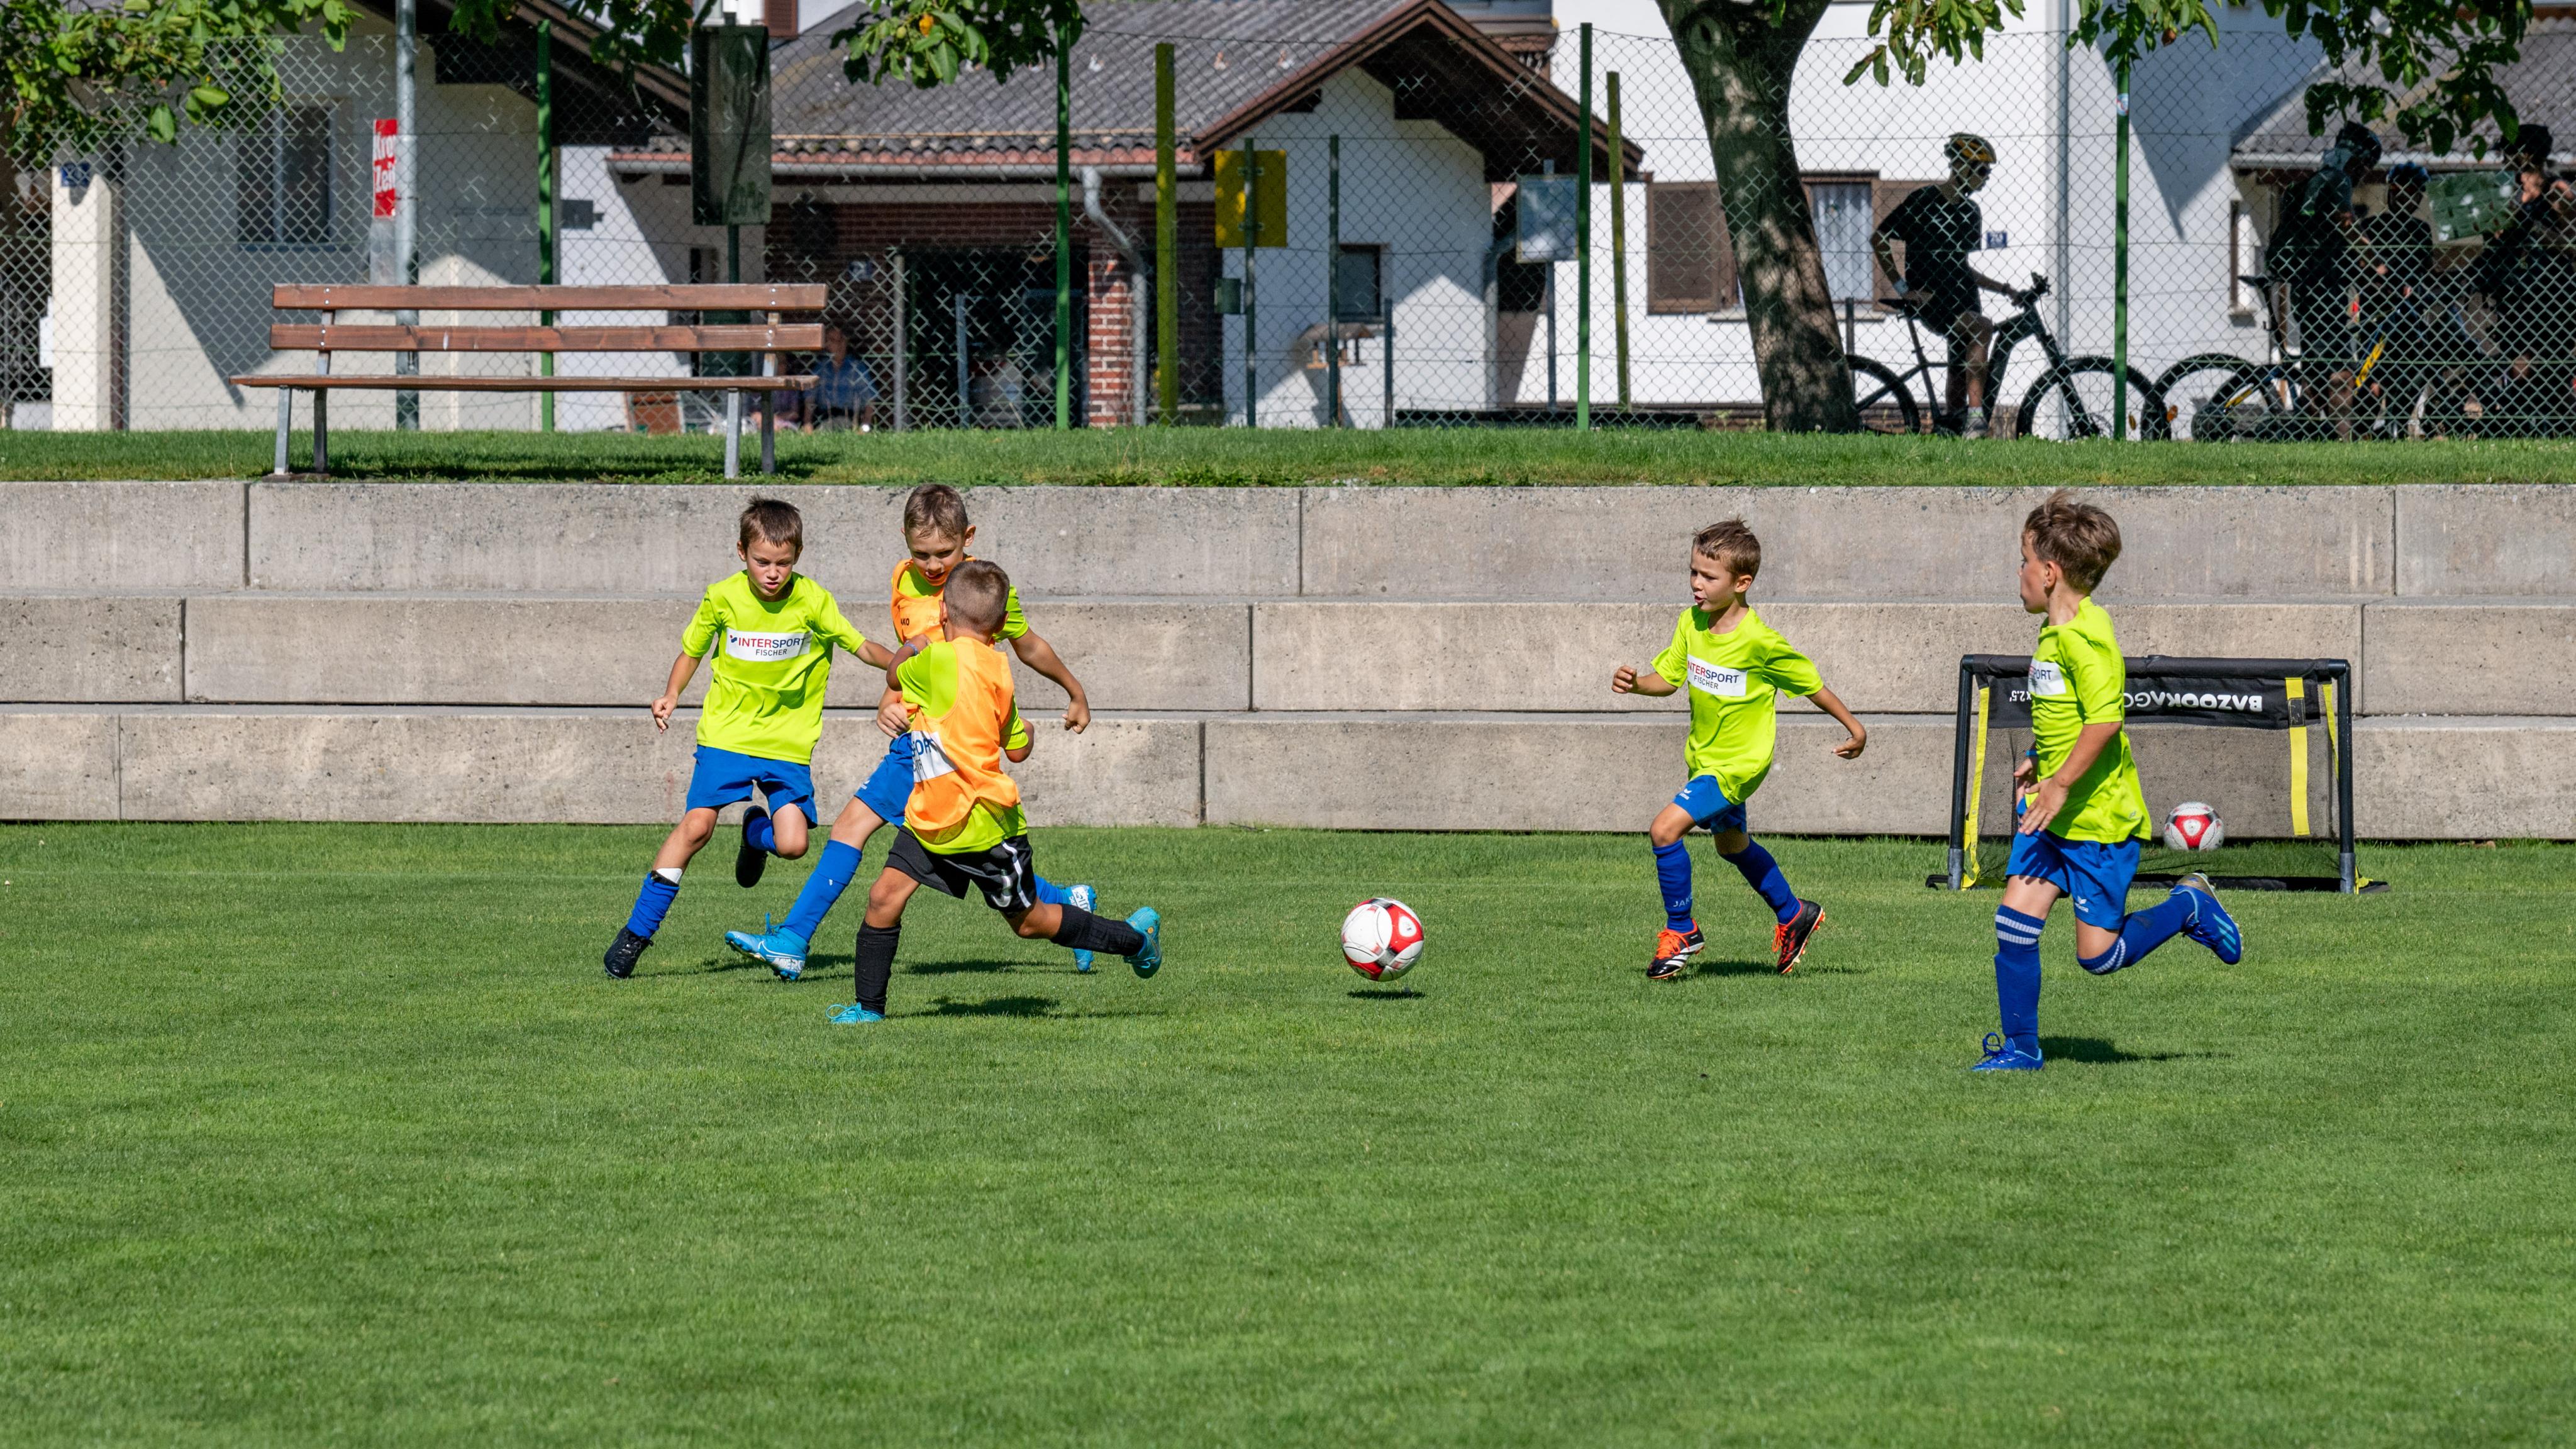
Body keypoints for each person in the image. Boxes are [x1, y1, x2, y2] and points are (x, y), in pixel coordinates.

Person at [724, 484, 1102, 979]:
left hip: (948, 745)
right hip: (921, 737)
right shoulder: (903, 579)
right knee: (975, 860)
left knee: (851, 828)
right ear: (904, 539)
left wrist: (1075, 691)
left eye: (944, 552)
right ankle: (1068, 900)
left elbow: (1027, 645)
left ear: (968, 538)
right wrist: (892, 700)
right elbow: (913, 659)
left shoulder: (979, 589)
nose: (932, 564)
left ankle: (793, 940)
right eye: (921, 553)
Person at [1973, 492, 2244, 1073]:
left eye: (2023, 563)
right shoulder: (2055, 631)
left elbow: (2104, 721)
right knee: (2013, 923)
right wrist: (2040, 761)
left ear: (2049, 573)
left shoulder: (2086, 640)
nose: (2018, 574)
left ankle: (2189, 906)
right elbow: (2067, 717)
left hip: (2096, 821)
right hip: (2051, 815)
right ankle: (2021, 1049)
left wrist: (2060, 784)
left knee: (2098, 957)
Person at [830, 560, 1161, 1024]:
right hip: (931, 819)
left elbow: (893, 676)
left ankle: (1136, 940)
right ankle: (868, 1011)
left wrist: (916, 642)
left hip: (984, 826)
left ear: (942, 611)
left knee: (1032, 923)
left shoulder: (936, 659)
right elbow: (1017, 748)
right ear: (1003, 622)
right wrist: (1025, 732)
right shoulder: (998, 669)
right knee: (885, 896)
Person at [604, 498, 892, 980]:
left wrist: (905, 662)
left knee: (794, 845)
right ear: (742, 552)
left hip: (787, 744)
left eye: (784, 563)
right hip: (727, 736)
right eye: (763, 561)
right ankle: (637, 933)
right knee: (696, 829)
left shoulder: (814, 601)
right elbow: (691, 652)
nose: (773, 573)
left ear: (798, 556)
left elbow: (862, 647)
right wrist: (671, 694)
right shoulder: (722, 597)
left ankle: (754, 832)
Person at [1611, 519, 1868, 980]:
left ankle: (1681, 930)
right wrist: (1637, 686)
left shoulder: (1761, 643)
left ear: (1742, 583)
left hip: (1738, 766)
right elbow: (1668, 679)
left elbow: (1812, 686)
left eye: (1709, 577)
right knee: (1731, 846)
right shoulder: (1691, 623)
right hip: (1704, 760)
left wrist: (1855, 728)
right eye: (1693, 572)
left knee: (1664, 831)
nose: (1697, 584)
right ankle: (1794, 913)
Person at [1872, 133, 2024, 438]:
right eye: (1981, 170)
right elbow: (1880, 239)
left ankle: (1954, 428)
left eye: (1988, 172)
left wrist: (2005, 289)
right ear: (1961, 166)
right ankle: (1977, 420)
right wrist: (1903, 289)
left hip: (1963, 299)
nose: (1986, 178)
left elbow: (1961, 267)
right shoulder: (1924, 200)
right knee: (1981, 328)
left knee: (1959, 366)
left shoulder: (1971, 212)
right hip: (1932, 300)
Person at [2268, 121, 2383, 437]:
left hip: (2306, 288)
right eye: (2365, 167)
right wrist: (2378, 264)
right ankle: (2344, 446)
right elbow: (2347, 223)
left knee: (2317, 375)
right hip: (2324, 291)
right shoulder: (2338, 179)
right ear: (2357, 160)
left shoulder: (2316, 180)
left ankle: (2301, 438)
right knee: (2341, 375)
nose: (2363, 175)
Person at [2355, 164, 2436, 436]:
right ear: (2390, 192)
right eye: (2399, 191)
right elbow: (2363, 271)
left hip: (2410, 317)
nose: (2405, 198)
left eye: (2412, 192)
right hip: (2377, 316)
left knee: (2414, 371)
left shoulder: (2420, 231)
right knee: (2373, 379)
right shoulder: (2372, 226)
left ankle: (2395, 428)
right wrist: (2386, 284)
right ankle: (2361, 431)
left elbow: (2423, 273)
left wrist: (2415, 288)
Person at [806, 326, 877, 431]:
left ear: (845, 342)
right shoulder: (821, 368)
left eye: (840, 340)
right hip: (824, 417)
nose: (838, 345)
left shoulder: (857, 368)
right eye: (831, 341)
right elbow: (810, 397)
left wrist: (865, 426)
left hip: (848, 417)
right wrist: (807, 423)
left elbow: (870, 399)